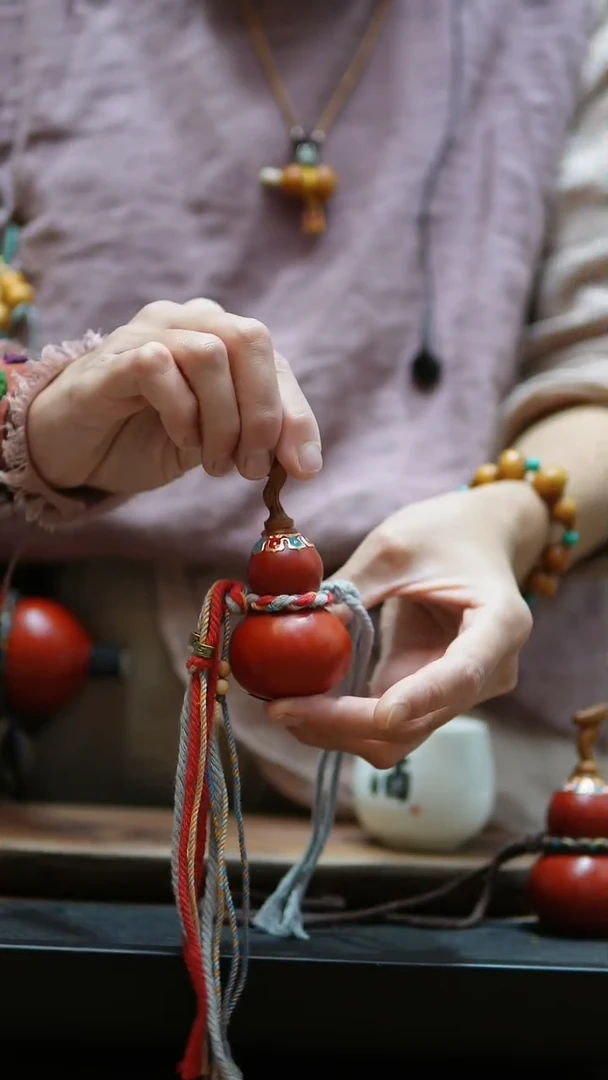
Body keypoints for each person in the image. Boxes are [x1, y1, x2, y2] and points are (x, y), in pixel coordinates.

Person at [0, 0, 607, 835]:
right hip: (52, 751)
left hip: (469, 767)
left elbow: (596, 362)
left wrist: (508, 517)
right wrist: (35, 434)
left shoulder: (559, 23)